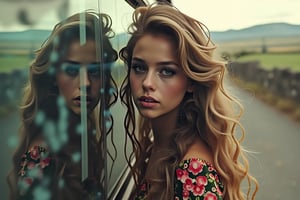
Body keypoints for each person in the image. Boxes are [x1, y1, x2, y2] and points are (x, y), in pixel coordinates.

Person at [119, 3, 259, 200]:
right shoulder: (158, 146)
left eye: (167, 71)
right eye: (139, 67)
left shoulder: (193, 173)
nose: (147, 83)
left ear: (191, 81)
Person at [7, 10, 118, 200]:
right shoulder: (41, 156)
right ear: (53, 77)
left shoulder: (81, 134)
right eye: (72, 70)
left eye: (94, 71)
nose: (85, 83)